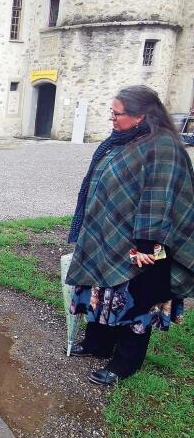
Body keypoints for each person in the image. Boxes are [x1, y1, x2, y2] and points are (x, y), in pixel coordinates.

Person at [66, 85, 194, 386]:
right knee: (104, 292)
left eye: (116, 113)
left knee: (136, 299)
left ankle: (126, 362)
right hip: (109, 235)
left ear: (141, 116)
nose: (111, 118)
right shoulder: (125, 140)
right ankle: (98, 343)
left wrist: (144, 250)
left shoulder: (164, 148)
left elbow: (159, 203)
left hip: (146, 243)